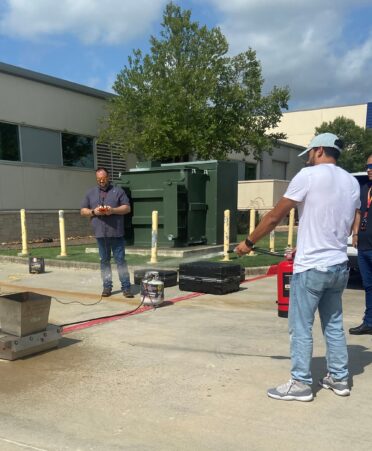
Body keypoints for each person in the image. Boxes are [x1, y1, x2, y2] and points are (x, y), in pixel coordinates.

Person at [235, 133, 360, 402]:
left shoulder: (308, 176)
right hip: (339, 266)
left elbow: (273, 216)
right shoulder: (351, 182)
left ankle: (301, 382)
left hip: (312, 268)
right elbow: (349, 222)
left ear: (319, 150)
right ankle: (339, 378)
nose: (309, 159)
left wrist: (248, 242)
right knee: (334, 324)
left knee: (300, 326)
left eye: (310, 153)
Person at [81, 167, 134, 298]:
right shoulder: (90, 193)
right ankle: (107, 287)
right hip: (100, 234)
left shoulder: (118, 191)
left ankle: (126, 288)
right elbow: (83, 211)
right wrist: (94, 212)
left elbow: (127, 208)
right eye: (99, 179)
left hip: (116, 233)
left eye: (103, 178)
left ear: (108, 177)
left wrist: (113, 210)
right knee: (104, 261)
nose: (101, 181)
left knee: (120, 261)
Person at [349, 155, 372, 335]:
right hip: (364, 246)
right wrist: (355, 233)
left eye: (371, 166)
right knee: (368, 286)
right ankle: (369, 322)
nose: (368, 169)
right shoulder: (365, 188)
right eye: (367, 166)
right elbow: (358, 213)